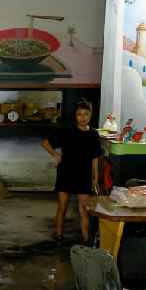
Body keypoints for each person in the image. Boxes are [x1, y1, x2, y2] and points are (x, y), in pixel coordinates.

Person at [41, 99, 103, 243]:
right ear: (75, 116)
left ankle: (86, 238)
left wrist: (94, 178)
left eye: (86, 114)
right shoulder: (67, 131)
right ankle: (58, 234)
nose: (82, 117)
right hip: (66, 172)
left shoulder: (93, 134)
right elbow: (45, 143)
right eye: (79, 114)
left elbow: (95, 158)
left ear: (90, 115)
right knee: (63, 206)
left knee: (84, 209)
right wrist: (56, 154)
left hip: (84, 175)